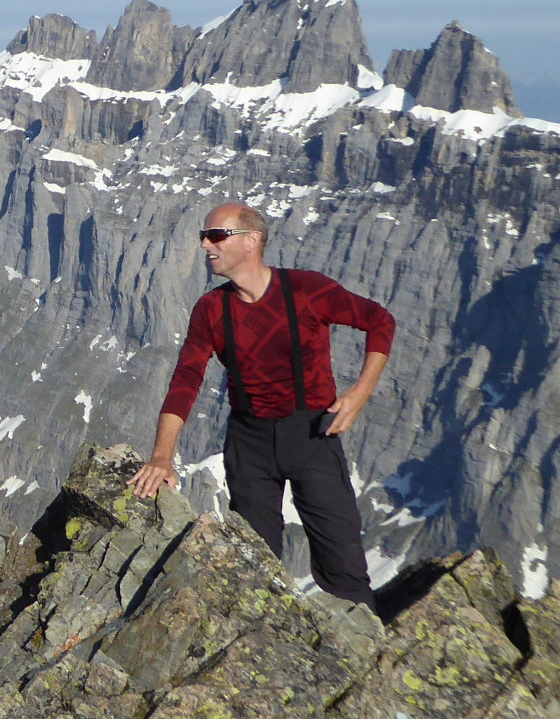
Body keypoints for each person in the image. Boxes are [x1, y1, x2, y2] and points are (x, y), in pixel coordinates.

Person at [131, 202, 395, 611]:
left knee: (344, 565)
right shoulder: (210, 309)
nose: (204, 245)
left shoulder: (307, 289)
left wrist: (361, 392)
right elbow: (186, 380)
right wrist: (162, 456)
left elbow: (379, 321)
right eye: (204, 237)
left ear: (251, 240)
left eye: (215, 235)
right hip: (248, 443)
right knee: (252, 568)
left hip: (313, 435)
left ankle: (363, 643)